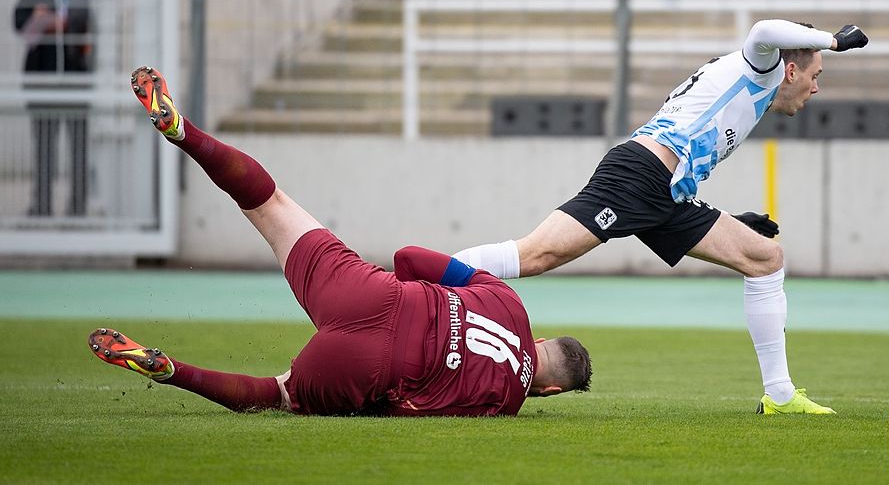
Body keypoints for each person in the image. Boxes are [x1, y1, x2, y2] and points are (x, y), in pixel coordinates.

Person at [88, 67, 592, 417]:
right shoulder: (501, 404)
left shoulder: (509, 301)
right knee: (277, 395)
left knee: (269, 203)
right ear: (549, 390)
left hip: (374, 293)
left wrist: (413, 300)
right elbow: (415, 409)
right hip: (374, 366)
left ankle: (184, 131)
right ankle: (170, 370)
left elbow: (408, 257)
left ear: (542, 340)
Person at [454, 19, 869, 415]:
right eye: (815, 75)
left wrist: (728, 219)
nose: (816, 87)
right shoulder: (762, 68)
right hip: (639, 176)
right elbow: (764, 30)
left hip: (668, 193)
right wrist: (833, 41)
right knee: (535, 256)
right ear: (791, 70)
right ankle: (428, 283)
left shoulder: (750, 85)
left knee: (765, 258)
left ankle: (780, 395)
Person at [13, 0, 93, 217]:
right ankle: (42, 206)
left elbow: (87, 20)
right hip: (43, 77)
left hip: (76, 76)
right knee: (44, 146)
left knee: (79, 145)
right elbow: (18, 19)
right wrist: (38, 17)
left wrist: (69, 25)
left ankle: (78, 207)